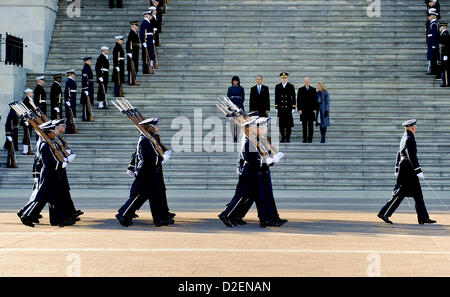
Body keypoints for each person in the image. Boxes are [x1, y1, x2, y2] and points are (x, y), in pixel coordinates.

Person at [219, 118, 283, 228]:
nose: (266, 128)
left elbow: (263, 155)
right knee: (240, 196)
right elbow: (251, 159)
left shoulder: (257, 140)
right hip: (250, 173)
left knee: (259, 198)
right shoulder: (249, 142)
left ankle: (263, 219)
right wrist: (266, 161)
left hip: (256, 173)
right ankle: (226, 214)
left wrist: (271, 159)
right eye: (263, 126)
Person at [378, 119, 437, 225]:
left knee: (417, 194)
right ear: (410, 127)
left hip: (405, 167)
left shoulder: (405, 136)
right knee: (399, 193)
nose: (415, 128)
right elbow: (411, 156)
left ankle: (423, 217)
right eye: (414, 127)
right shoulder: (409, 138)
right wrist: (418, 170)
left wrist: (396, 167)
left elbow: (398, 152)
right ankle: (384, 213)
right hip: (407, 169)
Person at [116, 118, 173, 227]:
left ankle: (160, 219)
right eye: (155, 126)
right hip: (146, 173)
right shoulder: (144, 140)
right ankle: (123, 214)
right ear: (149, 127)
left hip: (151, 172)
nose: (157, 127)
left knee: (155, 196)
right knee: (139, 195)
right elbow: (147, 159)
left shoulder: (149, 139)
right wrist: (162, 159)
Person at [17, 121, 74, 227]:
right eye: (53, 131)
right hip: (49, 175)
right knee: (41, 199)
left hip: (52, 175)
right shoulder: (45, 146)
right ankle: (27, 216)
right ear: (48, 133)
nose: (54, 133)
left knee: (54, 199)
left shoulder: (48, 143)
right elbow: (48, 163)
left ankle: (60, 220)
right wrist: (62, 163)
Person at [275, 72, 296, 143]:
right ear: (281, 79)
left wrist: (293, 107)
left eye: (285, 78)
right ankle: (283, 137)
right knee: (281, 125)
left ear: (287, 78)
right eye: (282, 78)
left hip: (288, 108)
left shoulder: (291, 86)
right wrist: (276, 107)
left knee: (288, 125)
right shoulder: (277, 86)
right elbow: (276, 97)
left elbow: (293, 97)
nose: (284, 79)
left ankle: (288, 138)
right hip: (280, 108)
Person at [297, 77, 318, 143]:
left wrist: (315, 109)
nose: (306, 82)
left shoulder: (313, 89)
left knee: (311, 126)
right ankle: (305, 139)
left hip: (311, 111)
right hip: (303, 111)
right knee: (304, 126)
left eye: (307, 81)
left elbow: (315, 100)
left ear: (309, 82)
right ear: (304, 82)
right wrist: (299, 109)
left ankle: (310, 139)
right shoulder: (300, 89)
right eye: (305, 81)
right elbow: (298, 100)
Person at [227, 76, 245, 143]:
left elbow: (243, 98)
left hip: (239, 107)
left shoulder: (241, 88)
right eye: (234, 81)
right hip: (232, 108)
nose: (235, 82)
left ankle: (237, 136)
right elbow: (228, 98)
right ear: (232, 81)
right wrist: (231, 106)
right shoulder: (230, 88)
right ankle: (233, 136)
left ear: (238, 81)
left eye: (236, 81)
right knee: (232, 123)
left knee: (238, 122)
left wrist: (239, 106)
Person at [21, 89, 34, 155]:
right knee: (26, 135)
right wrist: (25, 120)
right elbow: (23, 112)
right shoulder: (26, 101)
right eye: (31, 92)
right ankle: (25, 150)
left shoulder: (30, 100)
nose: (32, 93)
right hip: (27, 120)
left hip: (30, 120)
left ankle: (28, 149)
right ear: (28, 93)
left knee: (29, 135)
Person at [427, 14, 440, 79]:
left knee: (433, 57)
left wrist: (434, 44)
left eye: (429, 16)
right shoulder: (432, 23)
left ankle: (434, 70)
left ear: (433, 16)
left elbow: (434, 35)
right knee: (432, 57)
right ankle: (432, 70)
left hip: (432, 43)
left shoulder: (434, 24)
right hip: (431, 43)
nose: (428, 17)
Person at [440, 22, 449, 87]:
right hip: (444, 53)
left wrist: (445, 54)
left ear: (443, 27)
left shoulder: (445, 34)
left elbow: (446, 46)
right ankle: (445, 82)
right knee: (444, 68)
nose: (439, 28)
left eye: (440, 27)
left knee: (445, 68)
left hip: (445, 53)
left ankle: (446, 82)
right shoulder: (444, 34)